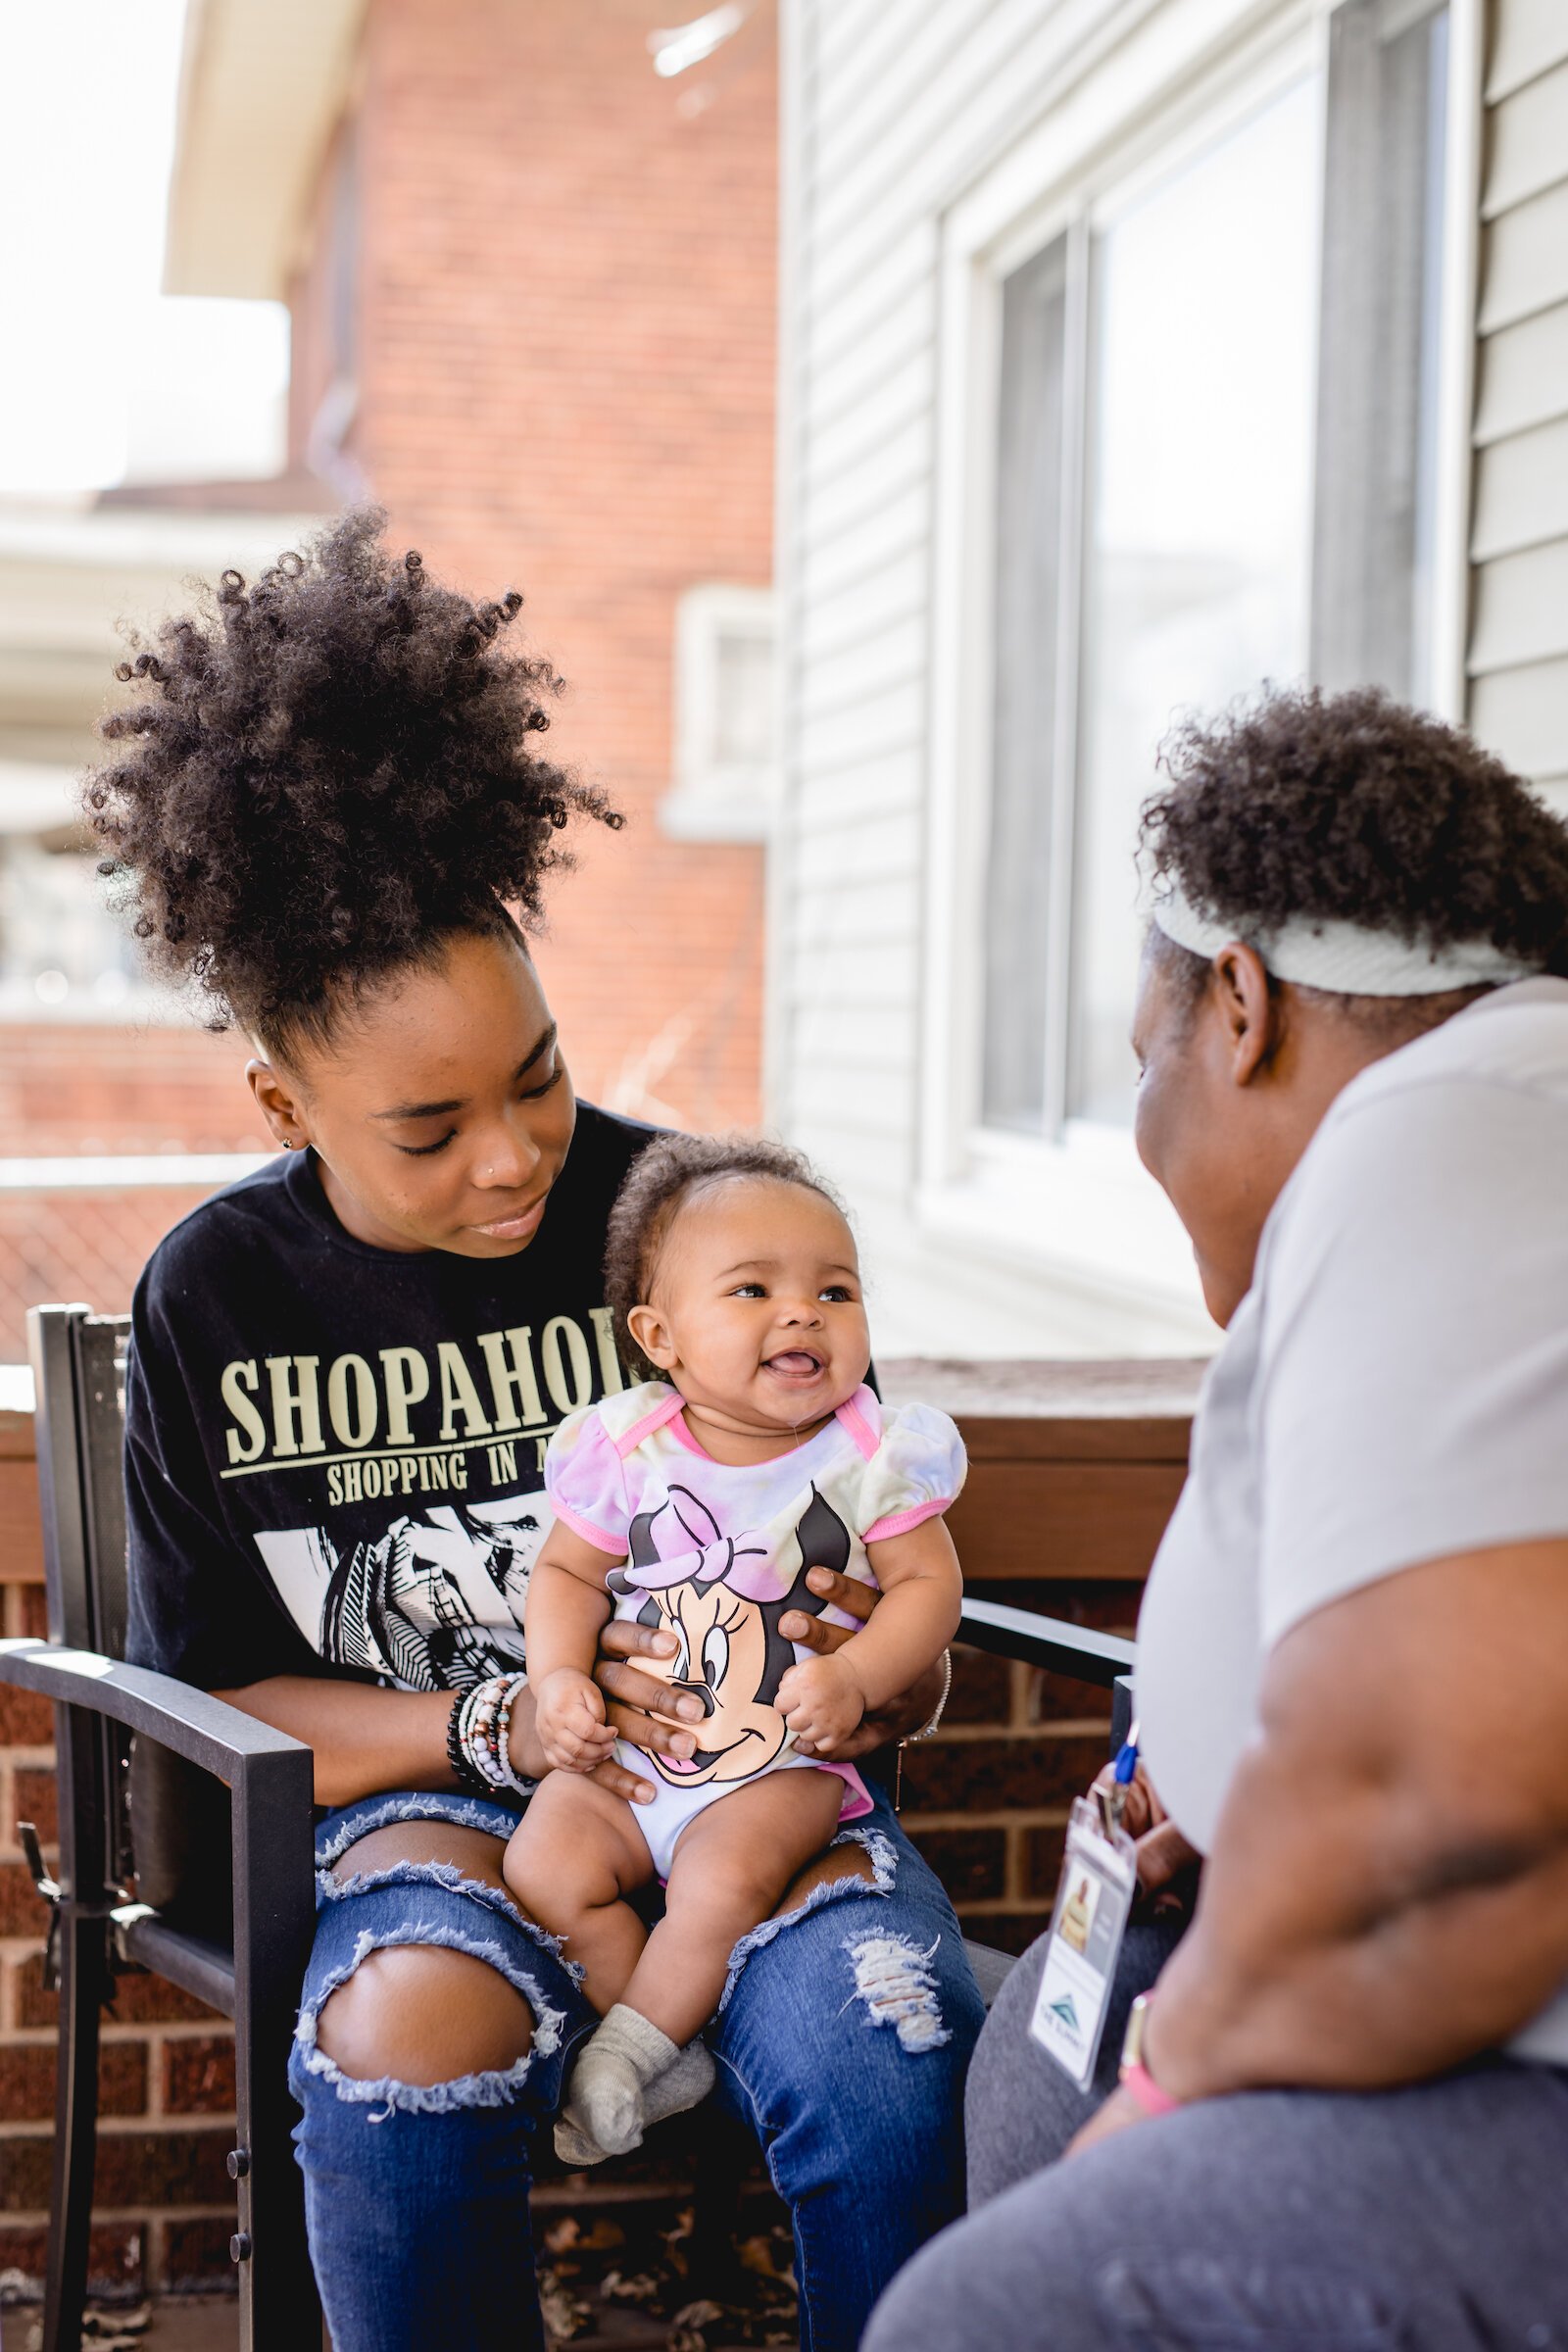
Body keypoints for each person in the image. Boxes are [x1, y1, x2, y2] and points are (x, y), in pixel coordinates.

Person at [91, 511, 985, 2352]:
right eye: (426, 1129)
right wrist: (497, 1718)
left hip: (747, 1780)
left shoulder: (686, 1219)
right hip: (420, 1807)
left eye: (541, 1078)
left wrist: (877, 1664)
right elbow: (232, 1698)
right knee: (399, 2036)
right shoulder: (219, 1298)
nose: (512, 1162)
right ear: (286, 1094)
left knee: (889, 2030)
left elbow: (874, 1530)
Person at [865, 685, 1568, 2352]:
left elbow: (1444, 1797)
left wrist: (1178, 2076)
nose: (1142, 1126)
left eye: (1145, 1058)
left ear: (1238, 1006)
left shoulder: (1446, 1125)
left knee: (978, 2321)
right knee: (1038, 2041)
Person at [507, 1131, 965, 2162]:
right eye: (751, 1290)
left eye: (834, 1292)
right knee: (544, 1864)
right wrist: (558, 1677)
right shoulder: (627, 1447)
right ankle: (658, 2029)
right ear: (660, 1334)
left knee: (719, 1888)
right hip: (640, 1756)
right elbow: (567, 1576)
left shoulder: (866, 1455)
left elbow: (930, 1588)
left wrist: (855, 1672)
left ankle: (621, 2057)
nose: (803, 1311)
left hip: (782, 1764)